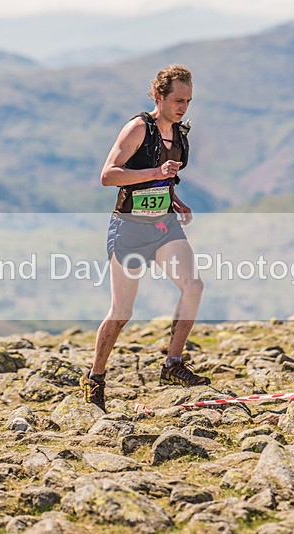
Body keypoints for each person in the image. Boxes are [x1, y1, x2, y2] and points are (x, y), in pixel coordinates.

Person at [82, 64, 210, 412]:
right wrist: (155, 172)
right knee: (122, 312)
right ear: (159, 96)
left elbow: (166, 181)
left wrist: (177, 200)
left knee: (193, 286)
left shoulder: (180, 136)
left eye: (189, 101)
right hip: (129, 228)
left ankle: (172, 363)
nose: (183, 107)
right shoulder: (138, 128)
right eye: (177, 100)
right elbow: (108, 176)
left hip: (164, 224)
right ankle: (95, 378)